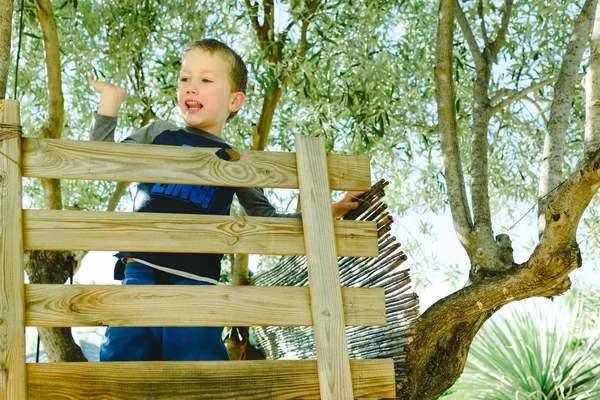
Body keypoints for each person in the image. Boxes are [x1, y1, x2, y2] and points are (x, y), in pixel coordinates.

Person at [89, 38, 360, 362]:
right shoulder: (159, 132)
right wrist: (110, 101)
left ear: (234, 100)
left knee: (194, 368)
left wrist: (326, 212)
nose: (191, 87)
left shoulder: (234, 160)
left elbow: (266, 218)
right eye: (185, 78)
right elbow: (101, 160)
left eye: (206, 80)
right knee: (122, 359)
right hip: (140, 270)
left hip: (196, 280)